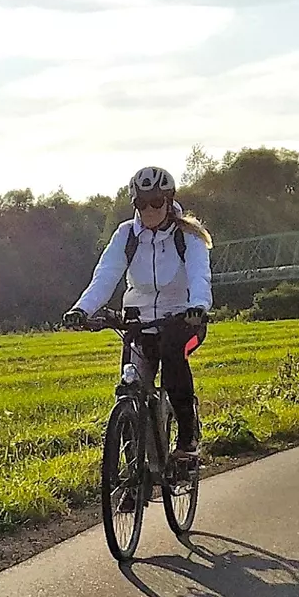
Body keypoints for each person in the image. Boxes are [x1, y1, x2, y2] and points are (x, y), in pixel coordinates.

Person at [63, 166, 213, 461]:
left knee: (172, 356)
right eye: (142, 203)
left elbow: (199, 275)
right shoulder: (126, 235)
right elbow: (105, 276)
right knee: (129, 387)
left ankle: (187, 437)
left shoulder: (187, 235)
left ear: (169, 201)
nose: (150, 209)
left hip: (182, 319)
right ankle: (135, 470)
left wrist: (198, 306)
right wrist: (82, 309)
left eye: (156, 202)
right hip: (139, 321)